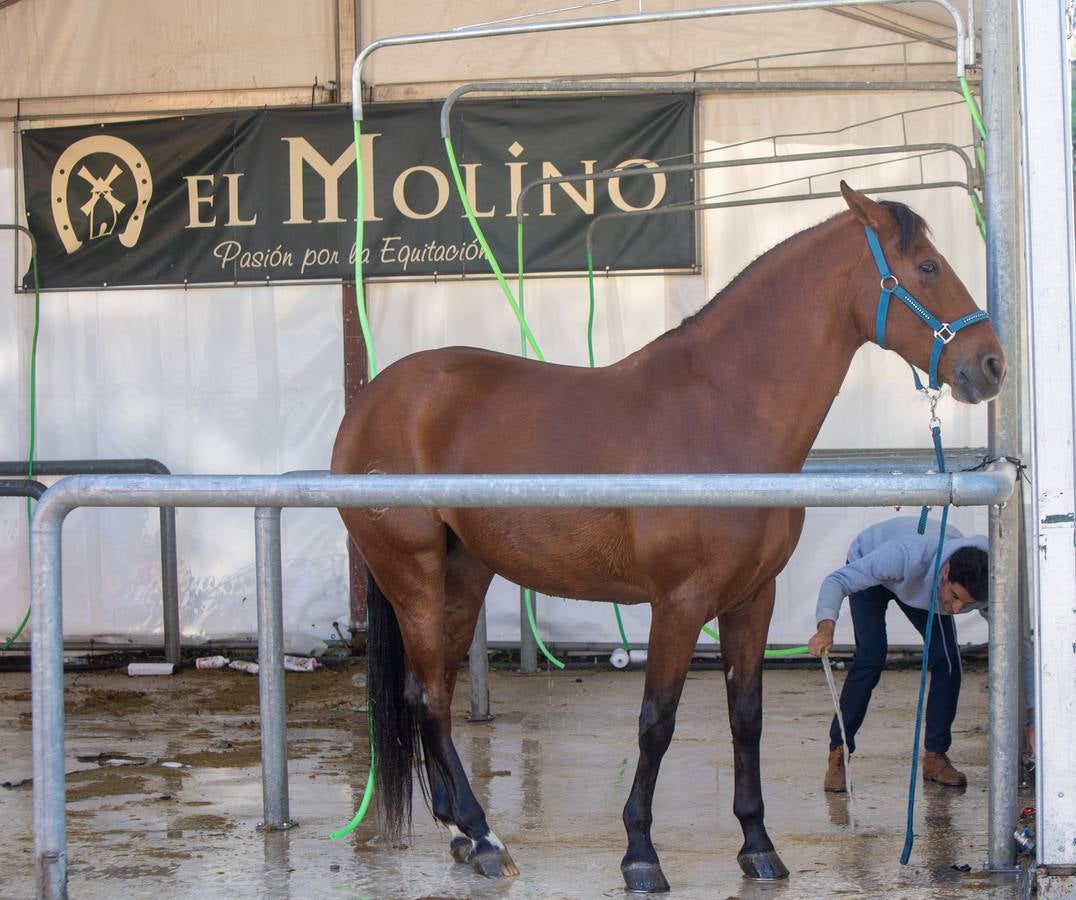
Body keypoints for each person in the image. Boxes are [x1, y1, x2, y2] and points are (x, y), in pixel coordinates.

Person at [807, 515, 989, 792]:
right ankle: (838, 752)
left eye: (966, 605)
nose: (955, 610)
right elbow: (837, 580)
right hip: (877, 564)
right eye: (954, 596)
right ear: (946, 570)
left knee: (948, 661)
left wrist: (1031, 716)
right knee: (870, 657)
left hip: (924, 581)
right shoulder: (901, 556)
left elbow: (1018, 646)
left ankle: (935, 756)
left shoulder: (988, 579)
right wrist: (825, 627)